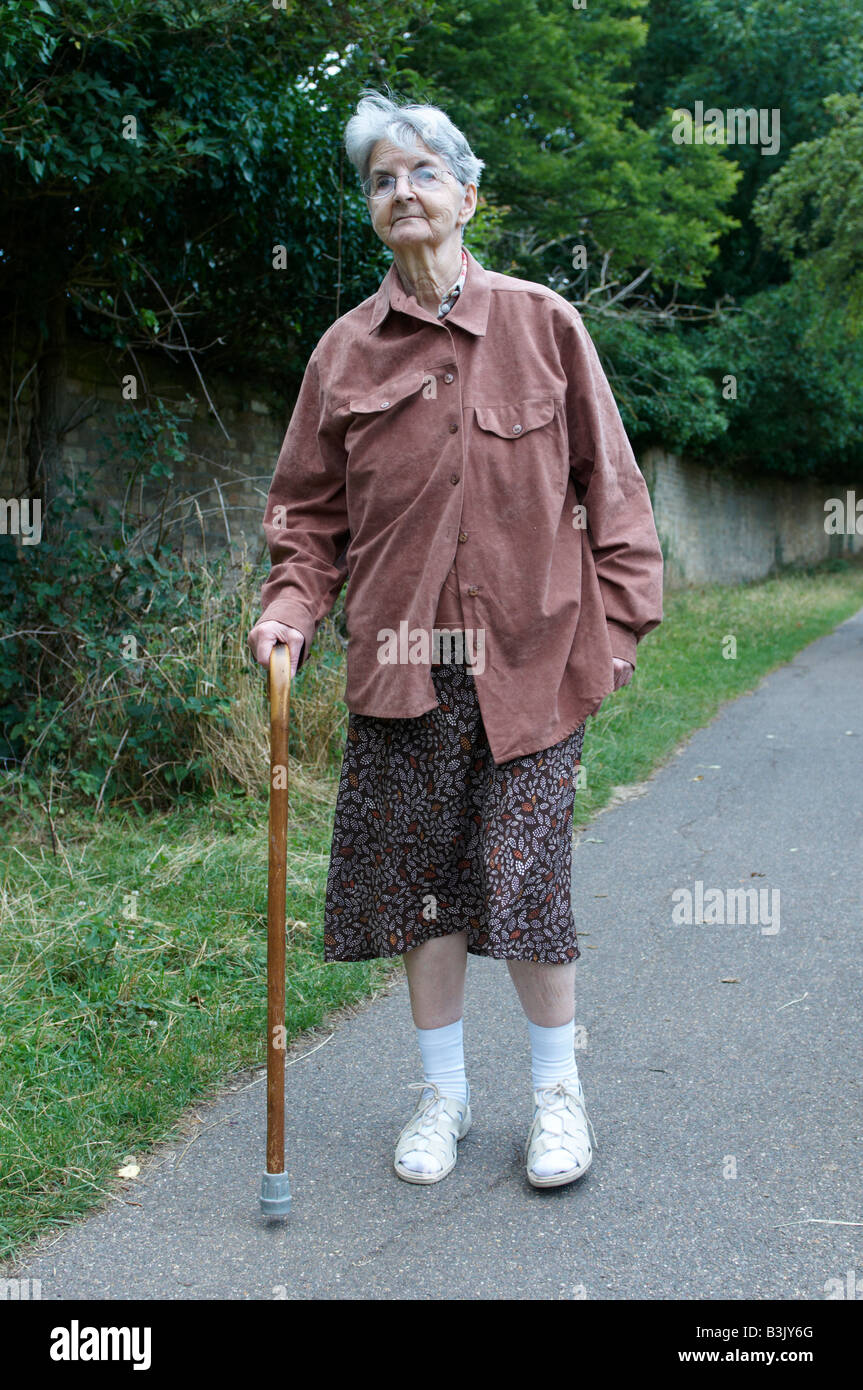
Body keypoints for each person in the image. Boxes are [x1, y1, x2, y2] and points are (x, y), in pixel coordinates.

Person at [247, 88, 664, 1189]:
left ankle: (554, 1094)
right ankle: (443, 1094)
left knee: (523, 875)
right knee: (421, 883)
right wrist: (289, 611)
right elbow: (306, 518)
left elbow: (611, 492)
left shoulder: (542, 324)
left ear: (468, 195)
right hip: (400, 660)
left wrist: (615, 632)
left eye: (422, 173)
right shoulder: (343, 356)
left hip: (533, 657)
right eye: (381, 180)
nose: (401, 194)